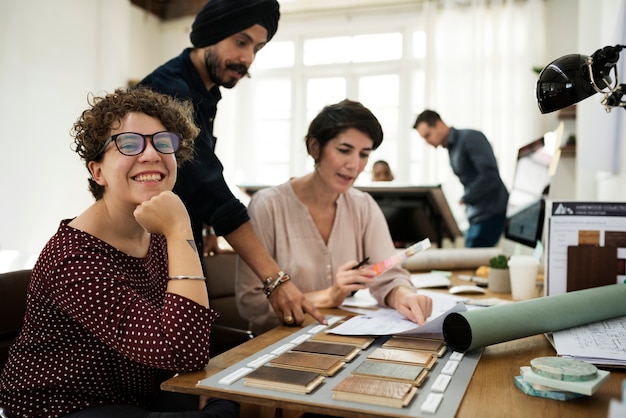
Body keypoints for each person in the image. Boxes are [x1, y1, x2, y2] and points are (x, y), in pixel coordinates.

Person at [0, 87, 239, 418]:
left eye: (163, 142)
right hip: (62, 403)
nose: (151, 154)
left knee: (235, 396)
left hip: (138, 391)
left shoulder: (155, 233)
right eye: (129, 144)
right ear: (97, 172)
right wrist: (180, 229)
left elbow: (185, 344)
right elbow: (184, 351)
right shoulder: (73, 256)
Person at [139, 0, 325, 328]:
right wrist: (275, 280)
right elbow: (210, 188)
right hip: (144, 253)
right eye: (241, 42)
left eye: (257, 47)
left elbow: (189, 173)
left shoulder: (202, 90)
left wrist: (208, 228)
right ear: (211, 34)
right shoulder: (170, 90)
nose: (248, 59)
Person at [236, 100, 433, 335]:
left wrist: (405, 295)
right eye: (344, 150)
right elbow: (250, 303)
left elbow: (389, 276)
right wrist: (327, 296)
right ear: (314, 148)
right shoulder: (268, 205)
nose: (354, 165)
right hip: (275, 342)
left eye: (364, 154)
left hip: (342, 338)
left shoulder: (363, 205)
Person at [413, 110, 509, 248]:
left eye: (427, 135)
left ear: (439, 125)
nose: (427, 141)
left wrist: (465, 198)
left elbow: (490, 174)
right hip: (476, 215)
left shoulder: (470, 138)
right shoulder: (452, 148)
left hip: (490, 213)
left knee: (472, 261)